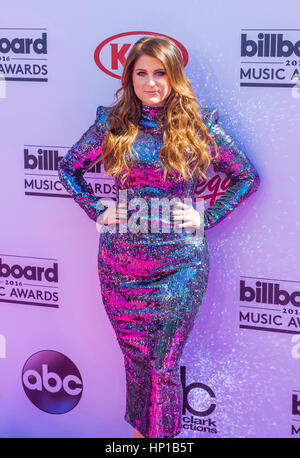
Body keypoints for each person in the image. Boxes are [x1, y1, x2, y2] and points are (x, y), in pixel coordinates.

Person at [57, 35, 260, 439]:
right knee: (134, 360)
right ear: (130, 77)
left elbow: (247, 177)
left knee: (164, 365)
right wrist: (98, 210)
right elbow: (68, 169)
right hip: (121, 264)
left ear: (174, 76)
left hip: (179, 265)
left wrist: (207, 215)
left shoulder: (198, 125)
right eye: (141, 73)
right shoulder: (113, 124)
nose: (151, 83)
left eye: (160, 73)